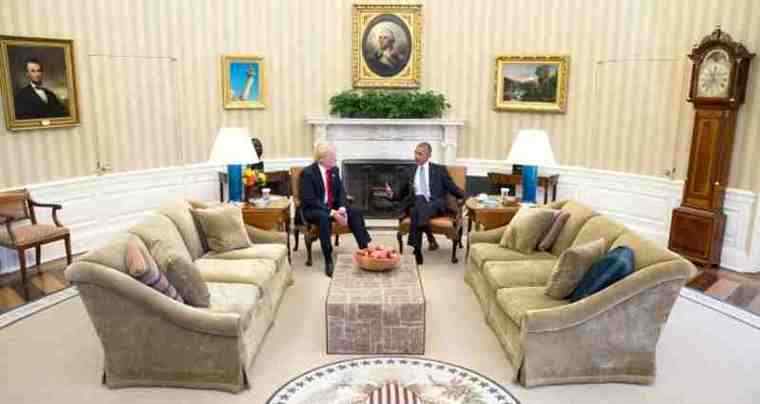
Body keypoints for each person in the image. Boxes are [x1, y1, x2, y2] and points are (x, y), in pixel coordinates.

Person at [385, 142, 464, 266]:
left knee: (416, 209)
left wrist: (467, 197)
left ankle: (417, 247)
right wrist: (391, 195)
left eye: (420, 154)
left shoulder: (439, 170)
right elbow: (401, 193)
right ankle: (418, 247)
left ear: (428, 155)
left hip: (435, 204)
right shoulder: (410, 171)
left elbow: (452, 187)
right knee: (418, 202)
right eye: (415, 153)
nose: (416, 156)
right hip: (416, 203)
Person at [301, 142, 372, 277]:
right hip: (313, 210)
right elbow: (310, 200)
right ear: (322, 159)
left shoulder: (334, 170)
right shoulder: (308, 173)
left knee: (355, 212)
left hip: (331, 207)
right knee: (323, 217)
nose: (336, 158)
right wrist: (332, 213)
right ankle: (328, 260)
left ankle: (364, 249)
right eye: (332, 155)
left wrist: (342, 208)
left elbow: (340, 192)